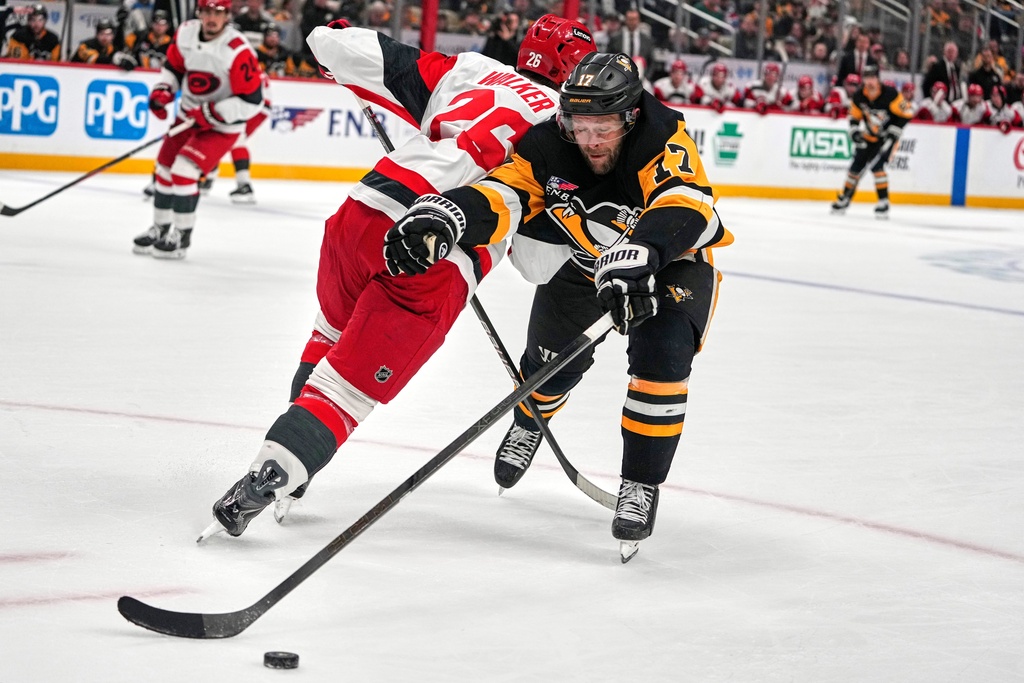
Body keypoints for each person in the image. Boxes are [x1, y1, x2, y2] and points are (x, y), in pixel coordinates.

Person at [200, 15, 597, 540]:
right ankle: (264, 481)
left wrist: (335, 39)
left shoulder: (472, 70)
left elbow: (332, 45)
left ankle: (291, 475)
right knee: (344, 389)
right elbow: (535, 263)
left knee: (330, 339)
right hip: (435, 258)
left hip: (361, 214)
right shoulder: (567, 132)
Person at [382, 52, 732, 561]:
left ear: (630, 117)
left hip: (671, 260)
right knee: (546, 365)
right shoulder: (549, 144)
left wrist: (641, 257)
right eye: (580, 125)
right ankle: (530, 421)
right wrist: (452, 213)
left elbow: (687, 202)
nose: (589, 140)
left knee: (663, 359)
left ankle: (640, 483)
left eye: (603, 127)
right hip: (588, 261)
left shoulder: (662, 136)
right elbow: (506, 194)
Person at [131, 0, 263, 259]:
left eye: (218, 13)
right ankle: (160, 227)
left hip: (221, 127)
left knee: (183, 171)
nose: (212, 18)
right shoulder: (186, 32)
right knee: (164, 170)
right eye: (207, 12)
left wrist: (212, 112)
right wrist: (164, 89)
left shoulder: (237, 49)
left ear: (227, 15)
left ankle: (182, 235)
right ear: (199, 12)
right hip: (186, 117)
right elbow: (173, 68)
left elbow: (252, 102)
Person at [830, 65, 912, 219]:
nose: (870, 81)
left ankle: (883, 202)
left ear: (878, 78)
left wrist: (895, 129)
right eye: (867, 78)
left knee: (877, 167)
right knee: (855, 168)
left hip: (886, 138)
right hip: (869, 136)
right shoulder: (860, 95)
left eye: (873, 77)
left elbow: (907, 112)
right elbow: (854, 116)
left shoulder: (890, 94)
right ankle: (845, 199)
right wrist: (854, 131)